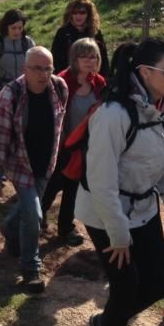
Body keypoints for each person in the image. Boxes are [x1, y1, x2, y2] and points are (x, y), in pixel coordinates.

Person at [77, 38, 164, 326]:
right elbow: (102, 180)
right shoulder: (114, 115)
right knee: (125, 287)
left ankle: (107, 322)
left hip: (143, 208)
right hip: (104, 213)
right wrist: (119, 236)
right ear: (144, 72)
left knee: (158, 283)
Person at [0, 47, 68, 293]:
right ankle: (30, 269)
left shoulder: (60, 88)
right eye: (36, 68)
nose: (43, 74)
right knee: (34, 216)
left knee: (27, 209)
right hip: (20, 164)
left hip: (46, 163)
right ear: (25, 69)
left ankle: (9, 228)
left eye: (47, 68)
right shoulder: (9, 95)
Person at [42, 38, 107, 245]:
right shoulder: (60, 81)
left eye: (94, 56)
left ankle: (66, 228)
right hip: (60, 148)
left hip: (84, 148)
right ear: (74, 58)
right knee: (50, 188)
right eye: (85, 56)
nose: (90, 61)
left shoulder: (99, 83)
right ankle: (29, 221)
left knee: (73, 190)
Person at [50, 0, 110, 78]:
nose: (78, 16)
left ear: (88, 14)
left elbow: (103, 59)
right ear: (70, 14)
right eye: (74, 12)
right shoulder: (63, 33)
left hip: (92, 78)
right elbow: (55, 60)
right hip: (69, 78)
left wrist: (105, 79)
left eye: (82, 12)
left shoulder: (95, 32)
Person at [0, 9, 36, 107]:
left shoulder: (28, 43)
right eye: (13, 28)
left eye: (20, 28)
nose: (17, 31)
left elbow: (35, 66)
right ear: (6, 27)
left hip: (22, 92)